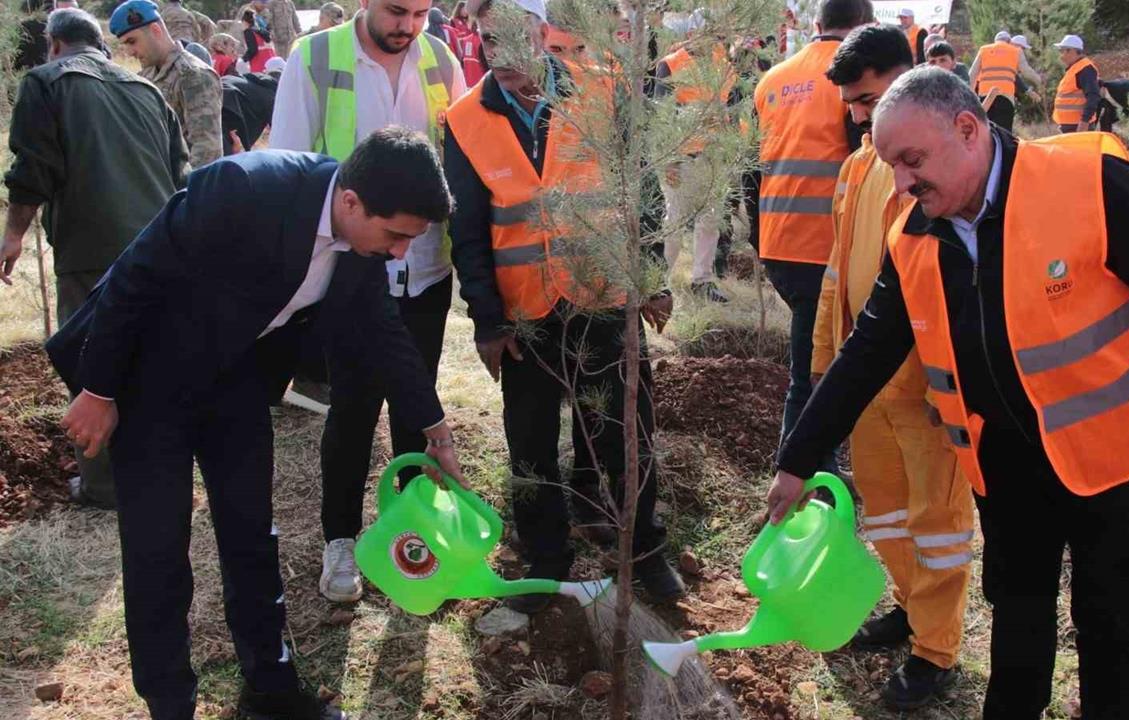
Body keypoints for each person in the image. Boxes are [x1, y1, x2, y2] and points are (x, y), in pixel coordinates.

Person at [768, 67, 1129, 719]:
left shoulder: (1087, 185)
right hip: (1007, 469)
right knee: (1018, 620)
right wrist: (798, 460)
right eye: (892, 165)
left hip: (1116, 458)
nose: (902, 183)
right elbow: (868, 352)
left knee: (1110, 624)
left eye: (913, 161)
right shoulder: (914, 236)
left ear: (968, 129)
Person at [45, 127, 458, 720]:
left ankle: (270, 689)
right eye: (395, 236)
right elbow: (136, 276)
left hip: (234, 383)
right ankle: (170, 702)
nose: (398, 253)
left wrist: (435, 432)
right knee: (158, 548)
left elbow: (387, 337)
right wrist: (98, 389)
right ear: (350, 202)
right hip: (148, 384)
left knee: (251, 537)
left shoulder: (360, 246)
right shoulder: (243, 188)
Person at [444, 0, 683, 614]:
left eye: (516, 36)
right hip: (525, 310)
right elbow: (467, 231)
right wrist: (487, 320)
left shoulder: (602, 91)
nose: (504, 53)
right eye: (490, 39)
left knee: (626, 431)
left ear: (540, 32)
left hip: (605, 296)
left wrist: (651, 276)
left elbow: (643, 189)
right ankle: (545, 558)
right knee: (528, 439)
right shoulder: (465, 119)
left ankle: (645, 552)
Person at [272, 0, 465, 603]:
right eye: (395, 10)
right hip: (348, 271)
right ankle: (342, 541)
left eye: (421, 14)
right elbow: (290, 164)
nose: (407, 27)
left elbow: (456, 160)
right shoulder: (316, 57)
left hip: (424, 271)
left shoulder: (440, 60)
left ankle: (412, 538)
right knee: (353, 409)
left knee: (417, 407)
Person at [815, 26, 973, 710]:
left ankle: (936, 652)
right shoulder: (856, 168)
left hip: (927, 387)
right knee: (884, 513)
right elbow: (836, 274)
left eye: (868, 97)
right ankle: (911, 610)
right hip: (870, 383)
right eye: (852, 105)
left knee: (936, 523)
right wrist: (827, 363)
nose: (859, 115)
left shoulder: (942, 166)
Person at [2, 7, 187, 511]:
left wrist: (13, 235)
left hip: (92, 252)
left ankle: (105, 485)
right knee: (153, 362)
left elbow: (33, 168)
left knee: (94, 366)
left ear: (54, 44)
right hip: (158, 248)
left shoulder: (45, 82)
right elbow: (181, 173)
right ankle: (161, 473)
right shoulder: (146, 90)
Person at [751, 0, 872, 470]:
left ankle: (817, 463)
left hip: (779, 240)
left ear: (817, 25)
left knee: (817, 361)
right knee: (813, 371)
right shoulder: (855, 75)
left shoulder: (772, 79)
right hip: (826, 246)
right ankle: (804, 472)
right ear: (865, 25)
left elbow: (749, 170)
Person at [655, 24, 736, 303]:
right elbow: (662, 117)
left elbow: (731, 107)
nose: (712, 40)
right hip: (680, 157)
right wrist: (669, 160)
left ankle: (701, 279)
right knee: (674, 221)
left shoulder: (722, 62)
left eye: (716, 35)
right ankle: (659, 282)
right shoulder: (672, 65)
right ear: (691, 33)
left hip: (714, 155)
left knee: (710, 220)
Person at [111, 0, 223, 169]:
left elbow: (207, 152)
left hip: (180, 188)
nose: (129, 52)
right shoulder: (147, 74)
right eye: (125, 44)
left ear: (155, 30)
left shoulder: (194, 76)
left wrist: (184, 194)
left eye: (132, 41)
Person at [970, 31, 1041, 132]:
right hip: (1005, 97)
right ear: (1009, 41)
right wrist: (1039, 80)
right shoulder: (1015, 51)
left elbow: (972, 75)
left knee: (985, 130)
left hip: (984, 97)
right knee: (1004, 131)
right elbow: (1026, 71)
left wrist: (971, 96)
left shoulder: (984, 50)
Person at [222, 56, 285, 154]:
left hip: (209, 100)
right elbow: (282, 138)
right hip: (226, 122)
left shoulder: (250, 82)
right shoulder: (272, 95)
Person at [1052, 34, 1101, 133]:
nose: (1061, 56)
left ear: (1071, 51)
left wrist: (1084, 123)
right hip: (1071, 127)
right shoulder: (1075, 68)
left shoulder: (1085, 69)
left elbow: (1093, 96)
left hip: (1078, 127)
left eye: (1062, 51)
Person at [448, 0, 486, 86]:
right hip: (462, 49)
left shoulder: (471, 38)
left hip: (471, 81)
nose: (465, 11)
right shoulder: (454, 21)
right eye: (464, 9)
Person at [241, 9, 277, 73]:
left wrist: (243, 59)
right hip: (272, 63)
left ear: (244, 22)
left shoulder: (248, 32)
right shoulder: (263, 31)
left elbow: (253, 50)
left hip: (259, 65)